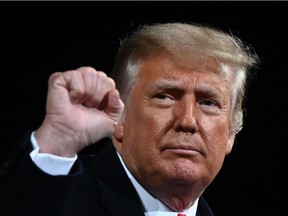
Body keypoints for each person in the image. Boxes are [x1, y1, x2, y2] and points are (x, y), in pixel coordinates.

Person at [0, 22, 258, 216]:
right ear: (119, 117)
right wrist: (57, 143)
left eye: (208, 102)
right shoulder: (64, 200)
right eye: (165, 97)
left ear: (230, 134)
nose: (188, 120)